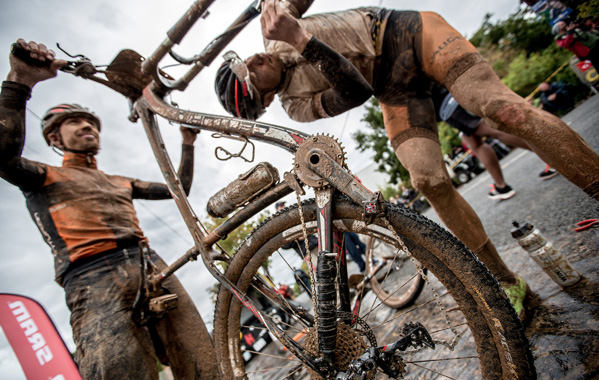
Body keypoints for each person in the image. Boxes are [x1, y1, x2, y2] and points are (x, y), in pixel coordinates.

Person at [215, 0, 599, 321]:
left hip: (408, 34)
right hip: (390, 86)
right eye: (252, 74)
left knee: (502, 110)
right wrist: (299, 38)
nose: (255, 59)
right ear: (264, 100)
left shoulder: (273, 27)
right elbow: (356, 91)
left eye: (243, 59)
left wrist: (277, 6)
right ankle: (506, 282)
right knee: (427, 180)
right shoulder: (297, 106)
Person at [0, 39, 221, 380]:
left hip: (149, 265)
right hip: (91, 280)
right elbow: (4, 157)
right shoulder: (43, 175)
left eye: (92, 122)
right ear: (55, 136)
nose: (88, 127)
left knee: (206, 370)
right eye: (76, 122)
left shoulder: (119, 182)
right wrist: (19, 81)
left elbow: (177, 188)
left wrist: (187, 142)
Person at [432, 83, 558, 200]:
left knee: (493, 131)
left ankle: (553, 156)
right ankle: (501, 186)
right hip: (454, 95)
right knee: (475, 143)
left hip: (447, 107)